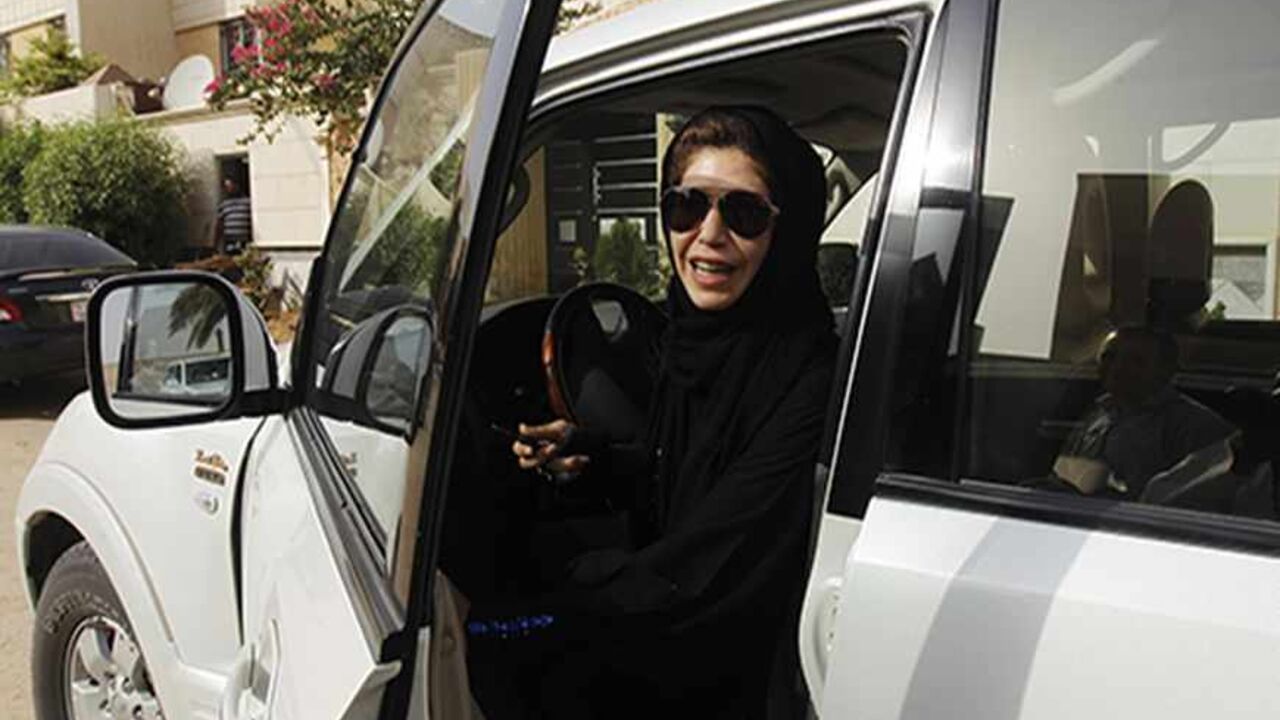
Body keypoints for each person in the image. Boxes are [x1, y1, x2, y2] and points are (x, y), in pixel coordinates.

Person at [511, 106, 837, 717]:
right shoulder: (692, 343)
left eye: (744, 213)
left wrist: (541, 604)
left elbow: (708, 564)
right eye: (686, 206)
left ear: (787, 234)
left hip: (734, 673)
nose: (709, 235)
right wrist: (591, 456)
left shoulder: (809, 379)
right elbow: (686, 469)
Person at [1049, 325, 1239, 506]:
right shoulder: (1099, 414)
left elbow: (1198, 502)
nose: (1117, 367)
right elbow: (1064, 476)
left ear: (1166, 370)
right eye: (1109, 357)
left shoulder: (1194, 426)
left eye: (1135, 361)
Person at [215, 177, 252, 255]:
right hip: (230, 241)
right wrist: (216, 244)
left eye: (231, 185)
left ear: (237, 186)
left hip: (245, 241)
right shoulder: (224, 204)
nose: (230, 189)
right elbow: (219, 224)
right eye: (227, 187)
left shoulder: (248, 202)